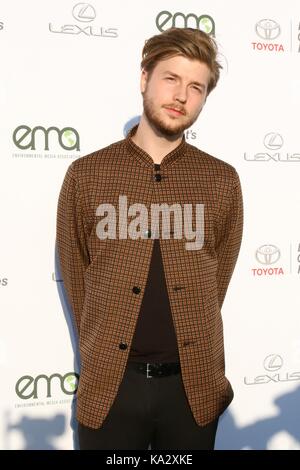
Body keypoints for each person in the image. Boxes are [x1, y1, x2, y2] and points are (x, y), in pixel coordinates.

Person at [56, 27, 243, 450]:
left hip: (192, 392)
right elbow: (76, 273)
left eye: (196, 87)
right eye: (171, 79)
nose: (181, 95)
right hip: (111, 390)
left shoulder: (221, 180)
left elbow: (220, 276)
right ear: (145, 79)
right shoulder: (87, 175)